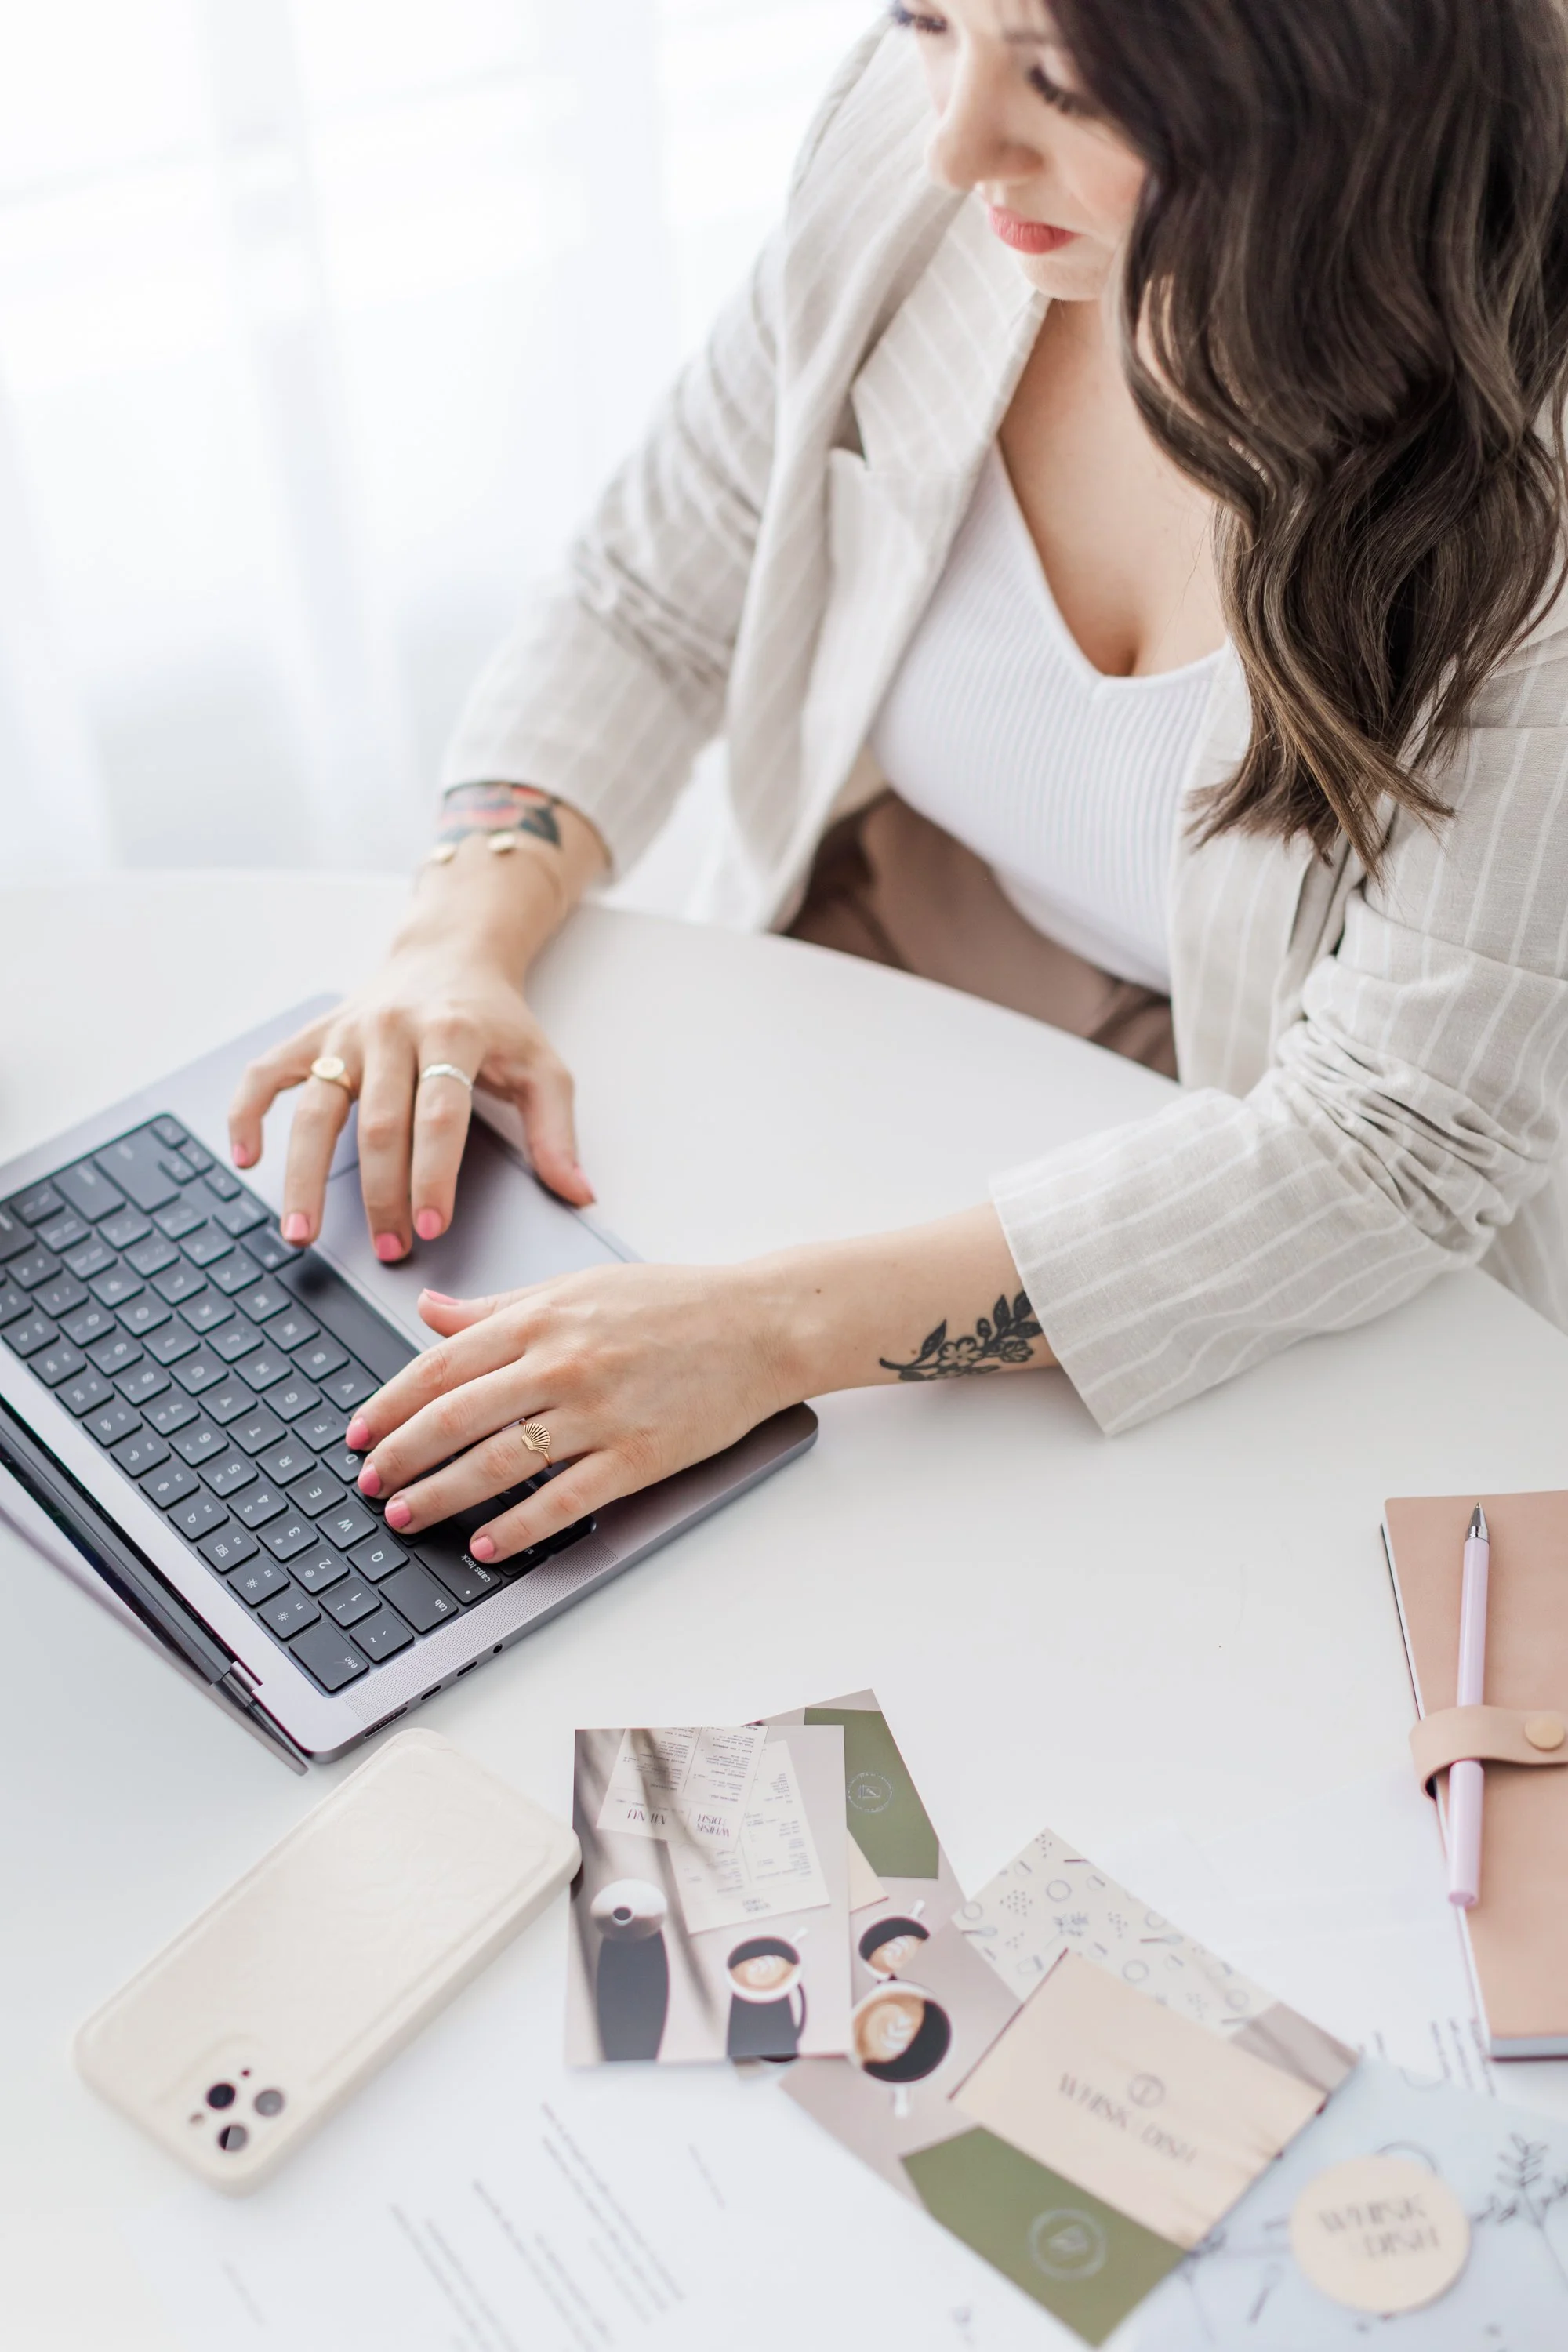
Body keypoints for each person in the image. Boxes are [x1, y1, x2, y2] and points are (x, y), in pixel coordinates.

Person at [228, 2, 1568, 1569]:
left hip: (1268, 1153)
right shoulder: (929, 162)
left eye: (1062, 85)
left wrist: (769, 1334)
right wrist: (454, 941)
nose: (953, 139)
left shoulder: (1524, 491)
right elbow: (652, 592)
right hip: (903, 973)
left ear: (1332, 90)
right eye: (933, 20)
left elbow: (1390, 1140)